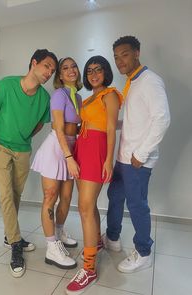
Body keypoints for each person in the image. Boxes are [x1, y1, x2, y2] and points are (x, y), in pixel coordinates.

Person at [0, 49, 58, 278]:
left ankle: (9, 235)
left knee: (16, 193)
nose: (49, 73)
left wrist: (25, 137)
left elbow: (40, 124)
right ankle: (15, 245)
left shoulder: (45, 98)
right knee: (5, 193)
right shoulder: (5, 85)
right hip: (0, 146)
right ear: (34, 63)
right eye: (47, 66)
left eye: (52, 70)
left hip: (23, 149)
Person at [104, 35, 170, 273]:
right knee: (114, 196)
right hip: (124, 158)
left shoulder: (150, 81)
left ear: (137, 52)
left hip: (137, 161)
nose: (120, 61)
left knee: (136, 205)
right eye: (116, 57)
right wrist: (112, 123)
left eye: (125, 54)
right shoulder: (132, 82)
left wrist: (141, 154)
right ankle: (112, 238)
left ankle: (143, 252)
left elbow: (162, 119)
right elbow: (138, 119)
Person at [66, 56, 123, 294]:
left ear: (106, 72)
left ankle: (89, 268)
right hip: (83, 148)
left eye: (98, 69)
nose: (93, 73)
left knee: (84, 207)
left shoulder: (110, 94)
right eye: (89, 70)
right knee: (88, 207)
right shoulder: (89, 97)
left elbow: (111, 128)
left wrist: (108, 159)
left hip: (96, 150)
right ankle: (96, 242)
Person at [31, 57, 82, 270]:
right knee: (50, 197)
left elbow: (77, 129)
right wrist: (69, 158)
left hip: (71, 147)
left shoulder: (78, 97)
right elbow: (59, 128)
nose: (70, 70)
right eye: (65, 68)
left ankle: (59, 231)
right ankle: (52, 247)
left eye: (73, 66)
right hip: (56, 149)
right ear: (60, 75)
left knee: (67, 197)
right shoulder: (59, 95)